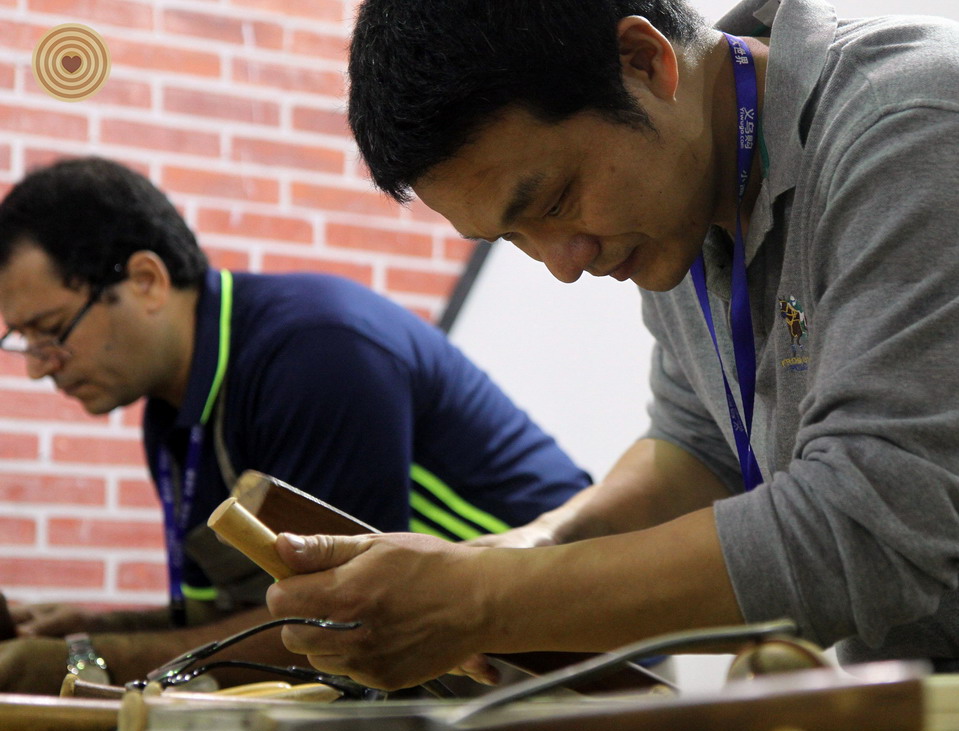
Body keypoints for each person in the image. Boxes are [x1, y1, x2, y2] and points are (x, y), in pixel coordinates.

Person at [264, 0, 959, 689]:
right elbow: (699, 454)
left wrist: (489, 600)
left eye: (550, 202)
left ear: (645, 61)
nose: (563, 262)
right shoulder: (686, 221)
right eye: (515, 241)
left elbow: (868, 532)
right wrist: (508, 558)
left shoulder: (920, 127)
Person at [0, 157, 591, 694]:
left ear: (148, 281)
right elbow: (225, 621)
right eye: (23, 342)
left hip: (562, 663)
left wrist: (76, 661)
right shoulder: (171, 415)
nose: (36, 369)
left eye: (51, 331)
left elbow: (338, 625)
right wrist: (84, 634)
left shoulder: (317, 350)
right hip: (440, 671)